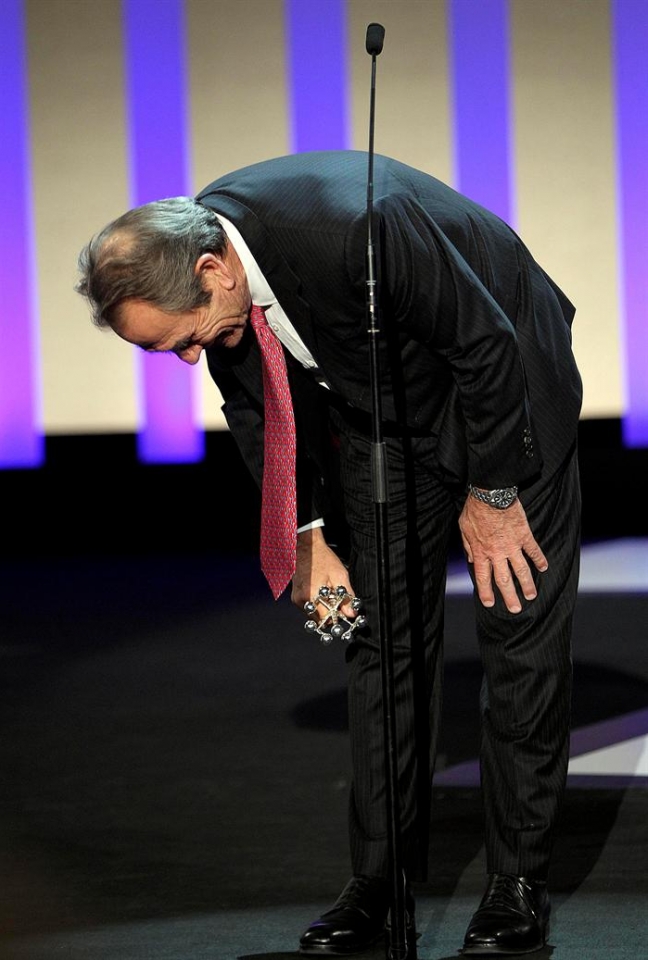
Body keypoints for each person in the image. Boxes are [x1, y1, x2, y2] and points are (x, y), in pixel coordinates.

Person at [76, 150, 582, 956]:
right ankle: (380, 881)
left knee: (515, 628)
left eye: (182, 340)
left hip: (506, 387)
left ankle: (516, 885)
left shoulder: (355, 231)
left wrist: (490, 495)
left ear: (217, 270)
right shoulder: (212, 277)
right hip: (381, 417)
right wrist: (308, 535)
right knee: (381, 639)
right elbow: (254, 404)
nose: (187, 358)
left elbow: (486, 344)